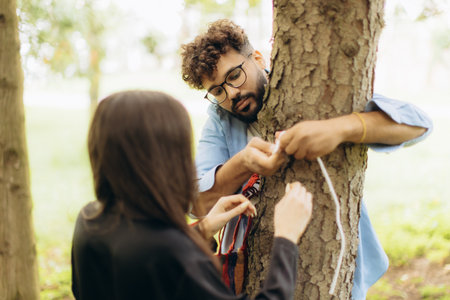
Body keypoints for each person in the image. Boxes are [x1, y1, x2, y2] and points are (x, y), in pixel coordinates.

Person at [180, 19, 433, 299]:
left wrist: (340, 128)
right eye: (217, 91)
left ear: (258, 58)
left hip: (334, 265)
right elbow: (198, 203)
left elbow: (418, 124)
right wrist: (242, 164)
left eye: (234, 76)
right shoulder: (220, 118)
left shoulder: (306, 92)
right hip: (256, 275)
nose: (231, 94)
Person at [71, 90, 314, 300]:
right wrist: (286, 237)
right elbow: (163, 258)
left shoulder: (90, 220)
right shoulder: (173, 253)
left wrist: (202, 229)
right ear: (166, 159)